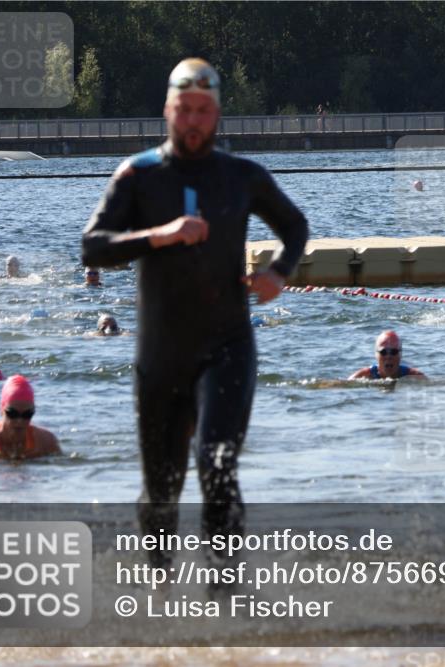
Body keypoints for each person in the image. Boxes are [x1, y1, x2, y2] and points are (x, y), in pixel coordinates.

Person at [81, 58, 309, 573]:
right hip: (161, 354)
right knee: (161, 492)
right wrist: (159, 236)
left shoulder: (242, 176)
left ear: (218, 115)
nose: (193, 121)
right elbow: (92, 247)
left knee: (217, 468)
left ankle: (225, 598)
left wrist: (279, 273)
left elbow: (295, 226)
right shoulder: (138, 175)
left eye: (203, 111)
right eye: (184, 110)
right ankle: (160, 600)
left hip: (227, 346)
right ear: (167, 110)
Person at [349, 330, 426, 380]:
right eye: (383, 352)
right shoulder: (363, 376)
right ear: (376, 355)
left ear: (401, 354)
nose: (388, 357)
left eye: (394, 352)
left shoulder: (415, 376)